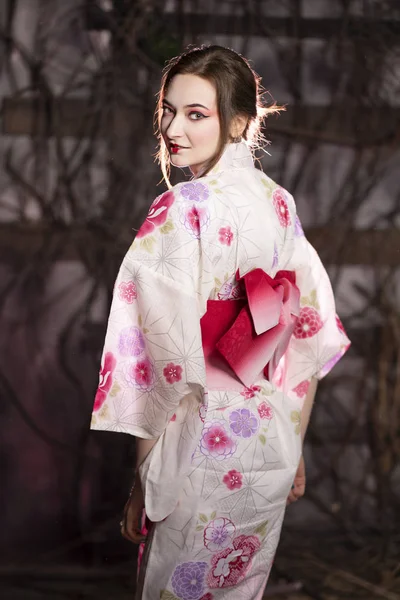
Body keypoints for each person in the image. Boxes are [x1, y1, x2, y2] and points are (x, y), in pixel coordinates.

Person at [90, 45, 350, 600]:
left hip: (199, 443)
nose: (172, 128)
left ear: (238, 122)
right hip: (266, 440)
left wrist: (145, 479)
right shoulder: (279, 203)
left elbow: (157, 356)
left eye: (195, 113)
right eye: (167, 110)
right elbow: (308, 327)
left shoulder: (184, 206)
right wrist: (294, 440)